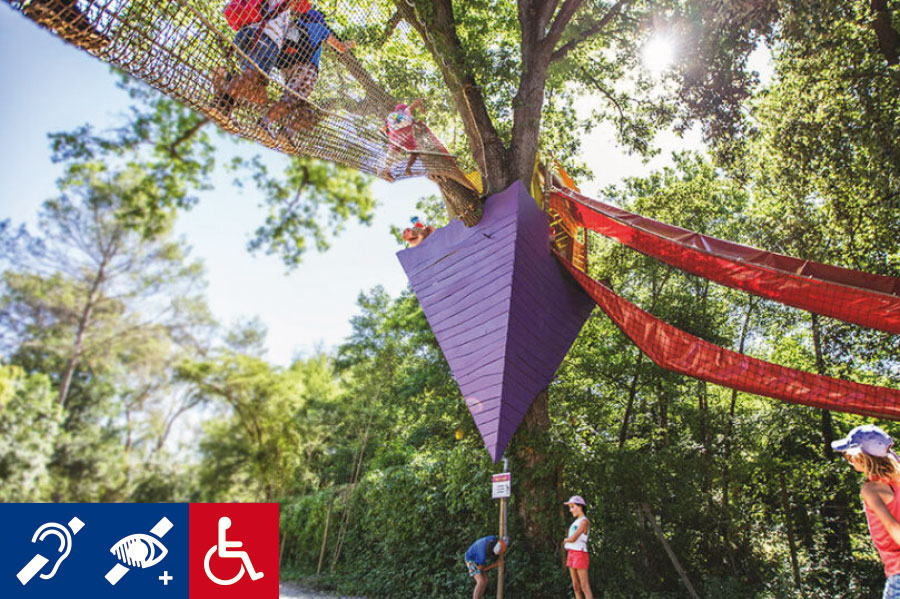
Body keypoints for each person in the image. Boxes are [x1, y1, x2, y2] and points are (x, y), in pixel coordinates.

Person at [257, 7, 354, 140]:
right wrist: (350, 44)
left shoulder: (293, 26)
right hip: (307, 69)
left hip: (287, 67)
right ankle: (266, 123)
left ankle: (284, 131)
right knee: (293, 100)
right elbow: (340, 47)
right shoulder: (319, 28)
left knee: (293, 99)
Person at [833, 424, 900, 599]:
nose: (848, 460)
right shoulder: (897, 474)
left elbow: (893, 527)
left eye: (849, 456)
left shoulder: (871, 490)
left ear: (861, 457)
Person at [214, 0, 311, 118]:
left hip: (255, 35)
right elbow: (305, 6)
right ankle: (221, 106)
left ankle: (227, 83)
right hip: (263, 36)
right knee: (251, 75)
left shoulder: (286, 11)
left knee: (258, 90)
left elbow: (304, 8)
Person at [381, 99, 425, 178]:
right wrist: (421, 107)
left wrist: (388, 132)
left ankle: (386, 171)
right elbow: (418, 101)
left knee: (393, 151)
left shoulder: (391, 117)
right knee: (415, 152)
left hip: (396, 137)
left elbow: (385, 129)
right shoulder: (406, 112)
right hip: (406, 136)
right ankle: (408, 168)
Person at [563, 495, 593, 599]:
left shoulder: (584, 521)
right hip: (571, 553)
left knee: (584, 586)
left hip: (580, 553)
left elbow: (573, 538)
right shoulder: (575, 522)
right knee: (576, 586)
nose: (571, 510)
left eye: (573, 507)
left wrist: (565, 540)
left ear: (580, 507)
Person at [464, 535, 506, 599]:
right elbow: (482, 569)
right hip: (470, 559)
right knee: (480, 581)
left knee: (485, 580)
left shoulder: (492, 538)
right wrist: (496, 564)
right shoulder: (482, 556)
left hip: (477, 556)